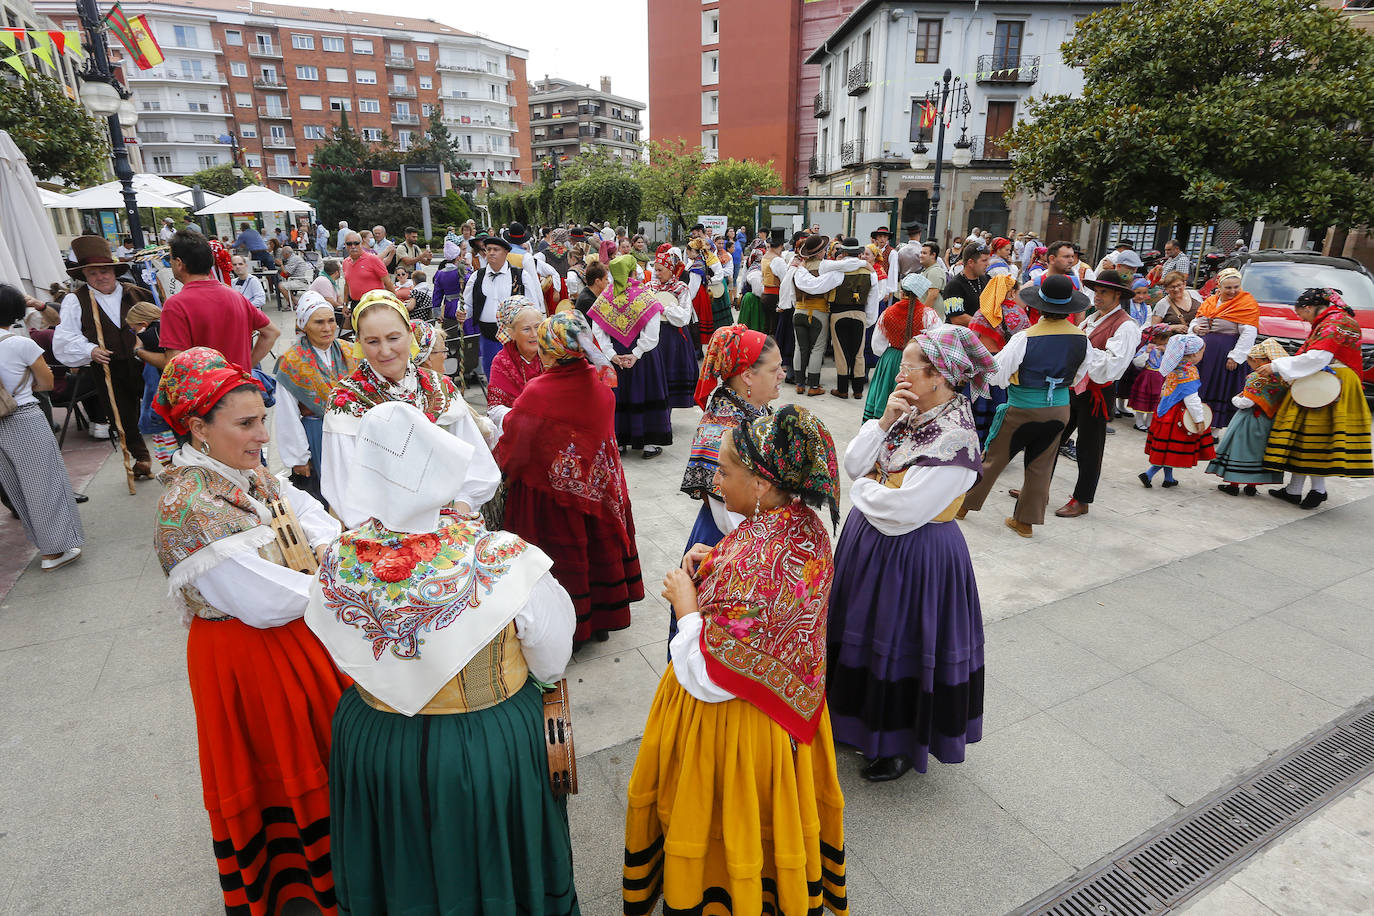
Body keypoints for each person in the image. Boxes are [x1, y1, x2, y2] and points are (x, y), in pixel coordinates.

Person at [305, 401, 578, 916]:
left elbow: (336, 641)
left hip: (376, 742)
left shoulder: (338, 560)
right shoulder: (500, 556)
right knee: (495, 862)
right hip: (484, 743)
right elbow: (551, 654)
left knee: (400, 868)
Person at [624, 406, 848, 916]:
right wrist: (721, 555)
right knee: (772, 818)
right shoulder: (802, 523)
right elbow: (761, 583)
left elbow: (707, 676)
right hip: (787, 721)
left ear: (764, 484)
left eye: (725, 471)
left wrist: (686, 607)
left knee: (730, 821)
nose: (715, 480)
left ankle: (724, 895)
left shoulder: (756, 560)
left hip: (737, 728)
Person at [152, 348, 348, 916]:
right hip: (248, 660)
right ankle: (302, 892)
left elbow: (320, 523)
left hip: (297, 638)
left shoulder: (246, 472)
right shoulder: (188, 504)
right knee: (282, 767)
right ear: (197, 429)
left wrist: (327, 559)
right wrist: (345, 579)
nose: (263, 434)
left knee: (321, 751)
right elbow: (265, 601)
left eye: (262, 418)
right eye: (246, 423)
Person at [829, 326, 992, 781]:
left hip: (915, 557)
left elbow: (904, 510)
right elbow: (855, 462)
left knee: (900, 642)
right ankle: (852, 718)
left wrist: (861, 489)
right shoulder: (908, 412)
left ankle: (896, 742)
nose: (900, 374)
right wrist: (882, 423)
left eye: (909, 367)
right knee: (860, 630)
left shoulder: (955, 438)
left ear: (940, 376)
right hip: (872, 545)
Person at [495, 311, 643, 645]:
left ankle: (569, 627)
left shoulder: (538, 393)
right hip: (599, 493)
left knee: (562, 563)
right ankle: (601, 620)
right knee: (596, 557)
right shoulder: (600, 383)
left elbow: (516, 445)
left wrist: (504, 469)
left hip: (551, 499)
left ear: (552, 350)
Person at [323, 291, 499, 528]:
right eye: (372, 341)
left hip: (452, 521)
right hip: (384, 534)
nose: (385, 351)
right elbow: (346, 490)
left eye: (393, 338)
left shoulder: (439, 387)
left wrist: (461, 509)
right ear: (359, 344)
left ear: (409, 335)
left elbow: (476, 463)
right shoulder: (347, 401)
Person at [673, 326, 784, 640]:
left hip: (753, 536)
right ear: (747, 376)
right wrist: (762, 552)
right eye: (774, 369)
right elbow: (727, 513)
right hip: (728, 540)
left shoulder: (754, 410)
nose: (781, 375)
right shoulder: (722, 427)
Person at [959, 275, 1091, 537]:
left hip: (1022, 407)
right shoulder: (1082, 339)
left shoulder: (1025, 338)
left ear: (1039, 307)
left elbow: (996, 375)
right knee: (1041, 465)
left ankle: (962, 506)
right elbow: (1080, 375)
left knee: (994, 458)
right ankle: (1025, 523)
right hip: (1059, 408)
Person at [53, 234, 158, 477]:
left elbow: (162, 325)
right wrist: (89, 350)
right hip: (109, 366)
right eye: (93, 273)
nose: (100, 277)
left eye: (104, 271)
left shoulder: (137, 293)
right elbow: (65, 336)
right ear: (84, 276)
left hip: (146, 363)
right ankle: (141, 458)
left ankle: (174, 457)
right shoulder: (75, 300)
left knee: (161, 407)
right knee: (122, 416)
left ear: (113, 271)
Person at [1260, 288, 1374, 507]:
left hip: (1329, 383)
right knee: (1307, 436)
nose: (1301, 318)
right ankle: (1296, 490)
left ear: (1309, 307)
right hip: (1330, 380)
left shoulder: (1333, 323)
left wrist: (1275, 366)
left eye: (1301, 314)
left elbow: (1318, 357)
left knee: (1314, 437)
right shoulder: (1341, 319)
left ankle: (1316, 490)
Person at [0, 284, 84, 570]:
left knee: (16, 487)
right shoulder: (20, 344)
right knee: (44, 483)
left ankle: (44, 543)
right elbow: (46, 383)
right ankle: (54, 551)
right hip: (23, 416)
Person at [1053, 269, 1142, 518]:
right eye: (1097, 291)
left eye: (1104, 292)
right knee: (1053, 437)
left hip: (1097, 394)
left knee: (1089, 448)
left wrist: (1082, 349)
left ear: (1117, 295)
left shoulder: (1126, 326)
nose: (1098, 296)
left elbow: (1112, 367)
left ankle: (1082, 499)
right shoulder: (1093, 318)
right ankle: (1038, 488)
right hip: (1075, 387)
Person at [589, 254, 672, 458]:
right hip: (644, 356)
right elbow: (652, 331)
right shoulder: (645, 296)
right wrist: (636, 353)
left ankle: (618, 442)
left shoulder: (605, 297)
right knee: (647, 392)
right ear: (633, 271)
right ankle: (649, 444)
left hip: (616, 354)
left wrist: (611, 354)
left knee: (619, 395)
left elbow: (598, 330)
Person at [274, 291, 352, 505]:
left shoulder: (349, 351)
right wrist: (298, 458)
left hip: (351, 431)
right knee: (325, 491)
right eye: (318, 322)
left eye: (330, 321)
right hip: (317, 434)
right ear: (304, 325)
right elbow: (286, 415)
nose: (327, 328)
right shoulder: (291, 362)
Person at [159, 231, 280, 368]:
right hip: (239, 384)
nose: (170, 263)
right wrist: (245, 367)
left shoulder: (175, 305)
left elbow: (174, 362)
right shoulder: (235, 295)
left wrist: (140, 351)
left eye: (170, 259)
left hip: (207, 387)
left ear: (179, 263)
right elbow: (271, 332)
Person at [779, 235, 868, 395]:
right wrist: (865, 263)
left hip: (799, 310)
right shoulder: (826, 266)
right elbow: (846, 268)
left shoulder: (798, 266)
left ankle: (799, 384)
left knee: (800, 347)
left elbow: (790, 291)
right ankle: (813, 386)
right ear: (820, 252)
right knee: (817, 349)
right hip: (819, 311)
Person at [1207, 338, 1289, 495]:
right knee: (1258, 452)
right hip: (1268, 421)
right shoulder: (1280, 379)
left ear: (1257, 361)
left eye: (1250, 362)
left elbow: (1246, 403)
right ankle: (1252, 487)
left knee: (1239, 449)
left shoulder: (1256, 378)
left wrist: (1235, 399)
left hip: (1248, 419)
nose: (1249, 366)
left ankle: (1234, 485)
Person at [864, 270, 943, 422]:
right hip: (916, 363)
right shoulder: (928, 314)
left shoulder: (888, 312)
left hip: (891, 359)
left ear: (902, 291)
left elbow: (877, 346)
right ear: (922, 293)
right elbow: (937, 344)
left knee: (885, 402)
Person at [462, 233, 541, 378]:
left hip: (515, 337)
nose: (491, 253)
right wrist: (463, 313)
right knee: (492, 373)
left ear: (506, 252)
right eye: (488, 249)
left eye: (496, 249)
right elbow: (468, 305)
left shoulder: (520, 276)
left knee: (516, 374)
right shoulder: (477, 276)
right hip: (488, 336)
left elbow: (532, 307)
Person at [1140, 333, 1215, 487]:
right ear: (1194, 354)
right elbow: (1192, 399)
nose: (1202, 355)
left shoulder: (1174, 365)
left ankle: (1168, 479)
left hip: (1165, 412)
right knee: (1170, 448)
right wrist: (1199, 420)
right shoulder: (1189, 371)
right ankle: (1148, 474)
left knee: (1166, 447)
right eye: (1202, 352)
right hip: (1177, 417)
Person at [1190, 267, 1259, 430]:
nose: (1233, 291)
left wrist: (1235, 357)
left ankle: (1214, 429)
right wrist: (1195, 329)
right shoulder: (1210, 302)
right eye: (1228, 287)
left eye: (1236, 287)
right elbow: (1196, 320)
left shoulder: (1246, 304)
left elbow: (1249, 333)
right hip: (1205, 354)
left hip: (1226, 355)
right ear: (1219, 288)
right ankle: (1197, 422)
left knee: (1219, 388)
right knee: (1202, 387)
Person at [825, 237, 883, 401]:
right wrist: (869, 319)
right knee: (858, 352)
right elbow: (873, 298)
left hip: (838, 313)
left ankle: (842, 389)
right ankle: (858, 390)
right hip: (860, 314)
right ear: (859, 254)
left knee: (841, 352)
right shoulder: (870, 273)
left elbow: (823, 285)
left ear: (843, 252)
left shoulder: (837, 271)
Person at [646, 249, 699, 409]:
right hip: (653, 335)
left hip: (674, 338)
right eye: (655, 269)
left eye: (660, 270)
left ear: (670, 270)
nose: (657, 273)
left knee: (669, 374)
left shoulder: (681, 288)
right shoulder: (650, 286)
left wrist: (664, 309)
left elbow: (684, 317)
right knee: (654, 376)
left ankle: (666, 414)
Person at [485, 295, 545, 427]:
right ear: (511, 333)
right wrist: (523, 420)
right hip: (519, 430)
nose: (534, 334)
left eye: (537, 327)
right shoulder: (502, 362)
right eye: (526, 329)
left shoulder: (551, 354)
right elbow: (495, 409)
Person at [1129, 325, 1174, 431]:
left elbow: (1171, 363)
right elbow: (1137, 362)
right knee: (1143, 399)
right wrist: (1147, 353)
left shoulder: (1167, 350)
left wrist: (1166, 352)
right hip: (1147, 377)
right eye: (1165, 339)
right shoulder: (1147, 348)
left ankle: (1149, 423)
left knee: (1154, 401)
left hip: (1159, 379)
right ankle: (1139, 422)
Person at [341, 231, 397, 306]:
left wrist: (395, 303)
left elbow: (388, 283)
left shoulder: (373, 259)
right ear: (345, 245)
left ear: (361, 244)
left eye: (356, 243)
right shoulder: (345, 262)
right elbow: (347, 285)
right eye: (349, 244)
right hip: (356, 304)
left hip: (374, 304)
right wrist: (345, 304)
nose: (353, 246)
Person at [940, 240, 989, 326]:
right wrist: (984, 325)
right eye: (984, 260)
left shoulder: (986, 279)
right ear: (970, 262)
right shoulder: (954, 285)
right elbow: (957, 318)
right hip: (958, 335)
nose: (987, 264)